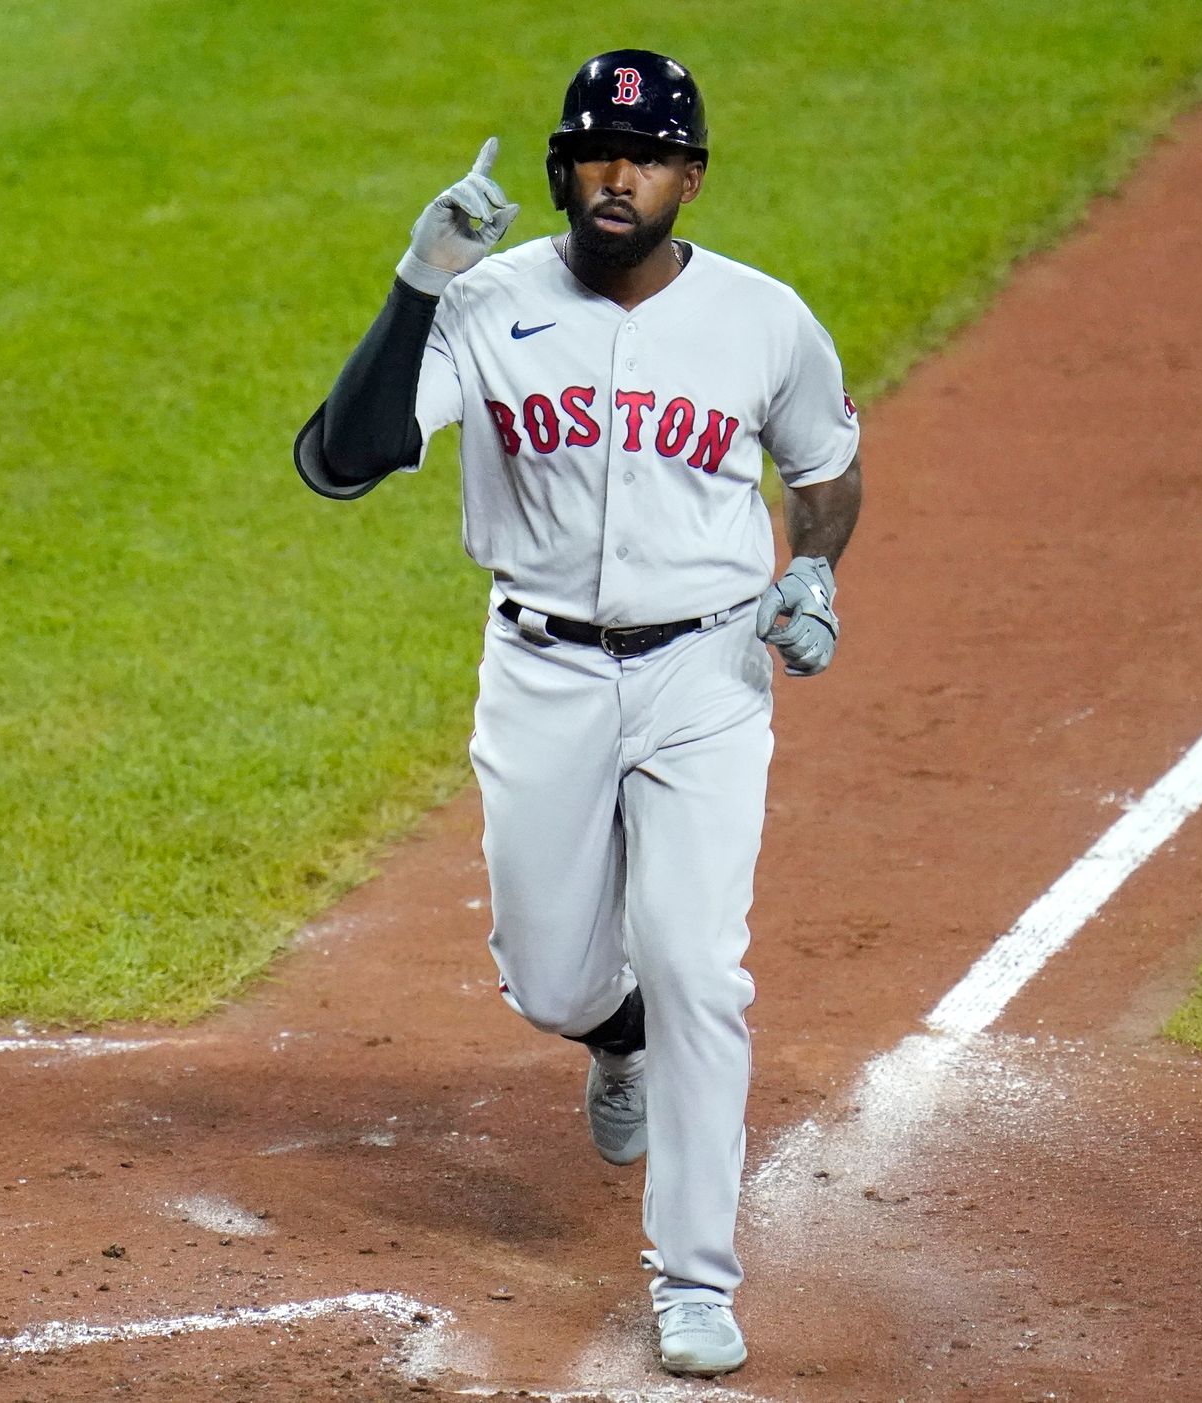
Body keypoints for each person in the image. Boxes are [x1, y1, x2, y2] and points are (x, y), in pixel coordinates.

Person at [294, 48, 862, 1378]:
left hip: (705, 677)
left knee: (698, 962)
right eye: (599, 151)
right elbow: (342, 461)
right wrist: (420, 280)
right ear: (560, 168)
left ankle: (696, 1279)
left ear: (692, 179)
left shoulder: (764, 319)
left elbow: (825, 466)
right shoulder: (486, 304)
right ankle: (616, 1037)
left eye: (651, 154)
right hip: (541, 668)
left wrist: (819, 567)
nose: (622, 175)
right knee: (553, 974)